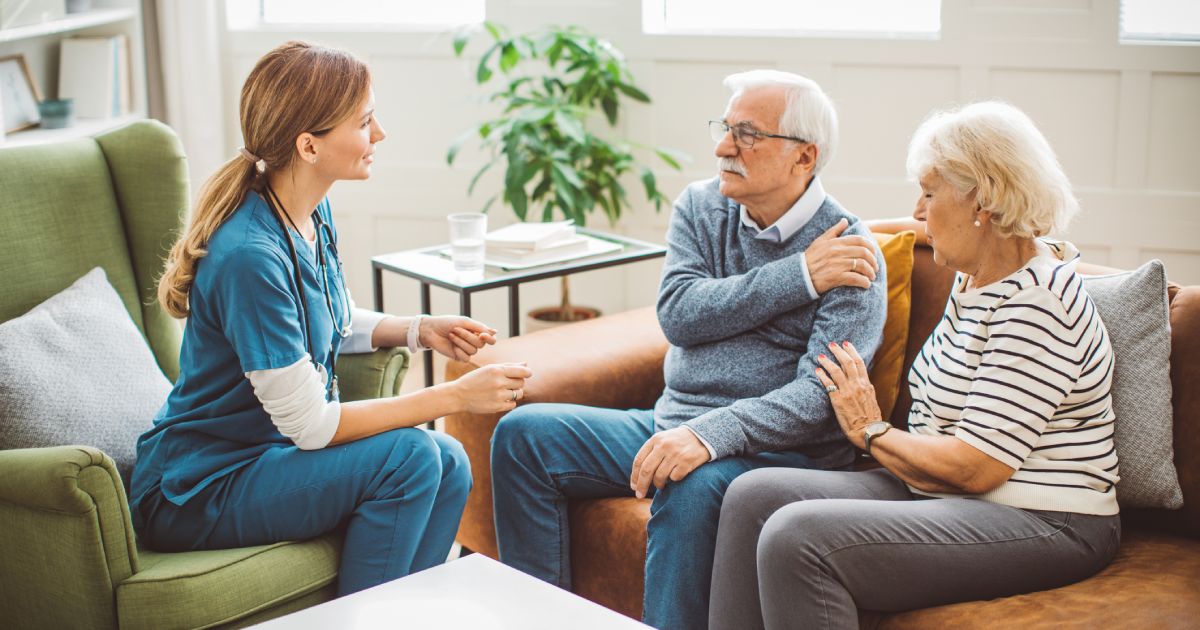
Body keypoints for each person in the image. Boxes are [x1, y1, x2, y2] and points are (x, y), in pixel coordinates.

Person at [129, 41, 533, 596]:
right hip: (196, 488)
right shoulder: (250, 255)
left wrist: (419, 329)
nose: (381, 135)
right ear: (308, 145)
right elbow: (311, 426)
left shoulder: (308, 210)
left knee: (450, 459)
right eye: (365, 122)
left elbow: (329, 321)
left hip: (264, 459)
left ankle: (401, 613)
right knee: (412, 457)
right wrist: (454, 397)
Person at [490, 70, 888, 630]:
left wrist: (710, 435)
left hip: (776, 456)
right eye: (724, 128)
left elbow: (820, 397)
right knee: (524, 436)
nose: (723, 147)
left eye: (747, 134)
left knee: (690, 479)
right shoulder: (702, 207)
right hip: (668, 421)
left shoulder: (851, 252)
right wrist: (798, 276)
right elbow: (679, 312)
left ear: (805, 158)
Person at [708, 101, 1122, 630]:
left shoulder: (1037, 304)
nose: (920, 211)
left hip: (1045, 517)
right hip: (944, 491)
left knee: (799, 537)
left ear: (985, 201)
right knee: (751, 495)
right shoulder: (979, 273)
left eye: (929, 192)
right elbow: (914, 229)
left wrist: (870, 430)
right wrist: (853, 232)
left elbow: (976, 468)